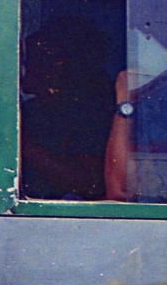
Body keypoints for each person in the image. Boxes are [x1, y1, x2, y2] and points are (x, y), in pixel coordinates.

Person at [20, 16, 113, 200]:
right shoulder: (30, 110)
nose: (22, 69)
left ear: (57, 67)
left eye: (29, 61)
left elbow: (90, 183)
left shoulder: (89, 115)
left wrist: (21, 146)